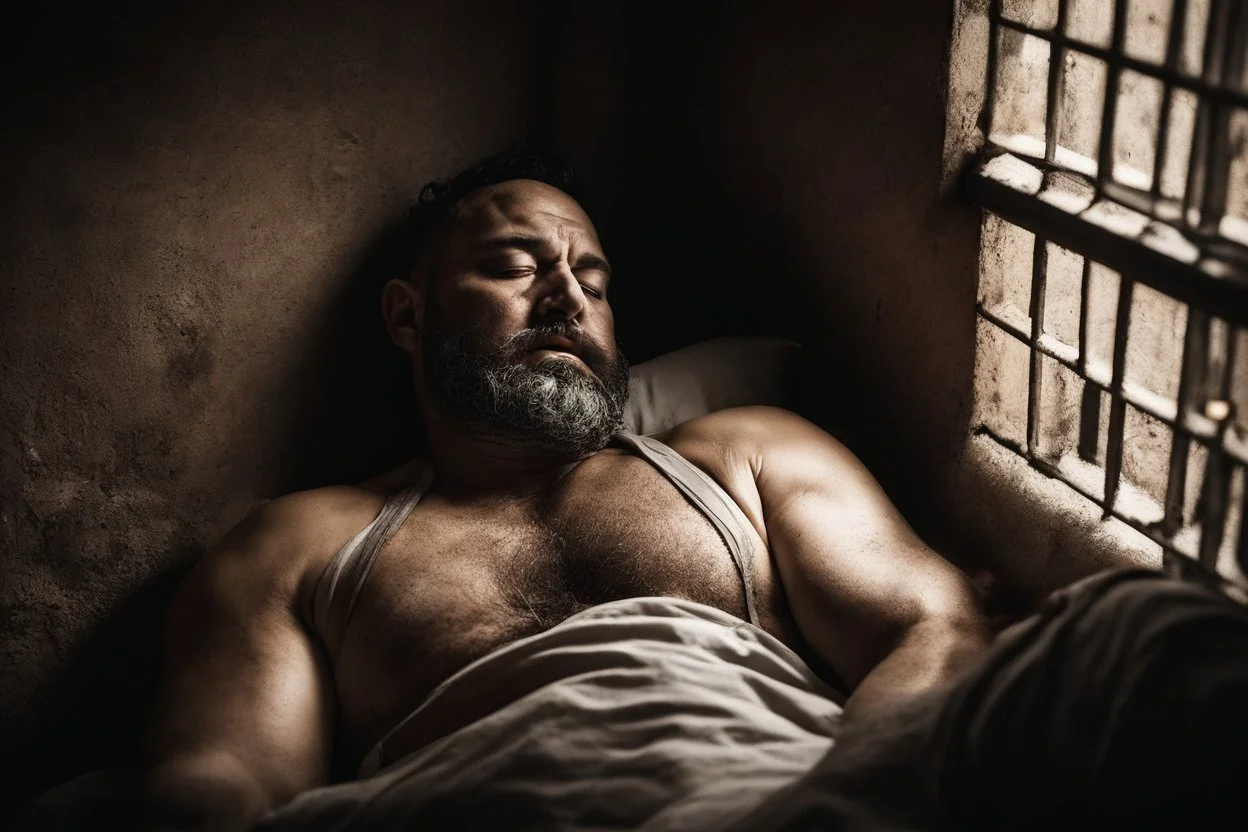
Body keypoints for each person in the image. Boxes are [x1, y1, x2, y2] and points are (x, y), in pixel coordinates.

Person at [136, 152, 991, 831]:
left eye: (595, 278)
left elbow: (934, 629)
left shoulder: (749, 455)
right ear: (408, 317)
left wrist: (842, 807)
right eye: (514, 266)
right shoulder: (301, 546)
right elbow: (221, 789)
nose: (567, 296)